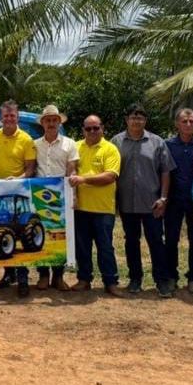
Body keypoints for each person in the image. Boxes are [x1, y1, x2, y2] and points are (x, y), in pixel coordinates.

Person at [110, 105, 176, 297]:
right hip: (126, 201)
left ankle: (161, 281)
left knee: (156, 241)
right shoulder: (116, 142)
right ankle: (135, 279)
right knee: (131, 241)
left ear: (145, 121)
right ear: (127, 120)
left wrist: (163, 198)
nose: (136, 121)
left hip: (152, 202)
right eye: (133, 117)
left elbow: (166, 171)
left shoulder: (157, 142)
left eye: (140, 118)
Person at [0, 100, 37, 297]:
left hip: (18, 192)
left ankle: (23, 278)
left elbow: (30, 169)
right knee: (2, 232)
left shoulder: (26, 139)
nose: (9, 119)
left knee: (20, 233)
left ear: (18, 117)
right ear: (1, 117)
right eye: (5, 116)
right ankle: (9, 274)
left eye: (12, 116)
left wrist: (18, 179)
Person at [69, 115, 122, 296]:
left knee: (105, 247)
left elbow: (110, 176)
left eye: (96, 128)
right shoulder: (75, 147)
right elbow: (70, 170)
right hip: (80, 208)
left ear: (102, 128)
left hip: (103, 209)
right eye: (88, 128)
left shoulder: (110, 149)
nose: (92, 131)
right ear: (83, 130)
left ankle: (111, 282)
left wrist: (83, 179)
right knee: (82, 246)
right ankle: (84, 279)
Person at [164, 108, 193, 294]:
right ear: (177, 123)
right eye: (184, 121)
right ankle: (171, 277)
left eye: (191, 121)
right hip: (173, 199)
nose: (188, 124)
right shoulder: (167, 145)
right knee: (171, 239)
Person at [32, 105, 77, 291]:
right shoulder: (34, 144)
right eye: (47, 120)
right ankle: (43, 275)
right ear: (42, 123)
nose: (51, 123)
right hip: (39, 195)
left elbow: (72, 170)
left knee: (60, 236)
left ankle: (58, 277)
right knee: (40, 234)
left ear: (59, 122)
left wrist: (72, 195)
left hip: (61, 196)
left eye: (54, 120)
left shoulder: (70, 144)